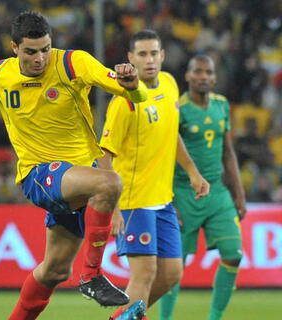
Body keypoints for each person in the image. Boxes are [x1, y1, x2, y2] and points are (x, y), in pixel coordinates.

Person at [0, 11, 149, 320]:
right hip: (37, 175)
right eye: (31, 51)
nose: (40, 58)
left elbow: (133, 94)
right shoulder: (0, 74)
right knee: (109, 182)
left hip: (73, 179)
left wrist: (133, 84)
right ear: (14, 48)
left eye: (45, 49)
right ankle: (91, 274)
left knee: (54, 272)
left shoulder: (74, 64)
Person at [98, 30, 210, 320]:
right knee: (145, 273)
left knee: (172, 273)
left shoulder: (171, 85)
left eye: (154, 53)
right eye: (142, 54)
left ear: (162, 55)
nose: (149, 60)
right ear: (131, 59)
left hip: (163, 200)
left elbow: (171, 134)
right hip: (134, 200)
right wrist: (113, 209)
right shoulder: (124, 101)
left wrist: (193, 172)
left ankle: (126, 316)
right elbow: (105, 156)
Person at [158, 55, 247, 320]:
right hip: (183, 193)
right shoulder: (179, 108)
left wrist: (239, 194)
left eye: (209, 72)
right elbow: (165, 153)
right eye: (198, 71)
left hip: (217, 192)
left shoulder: (221, 105)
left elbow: (228, 152)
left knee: (234, 255)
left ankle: (214, 318)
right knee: (174, 268)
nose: (204, 76)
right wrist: (169, 199)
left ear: (215, 77)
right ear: (187, 75)